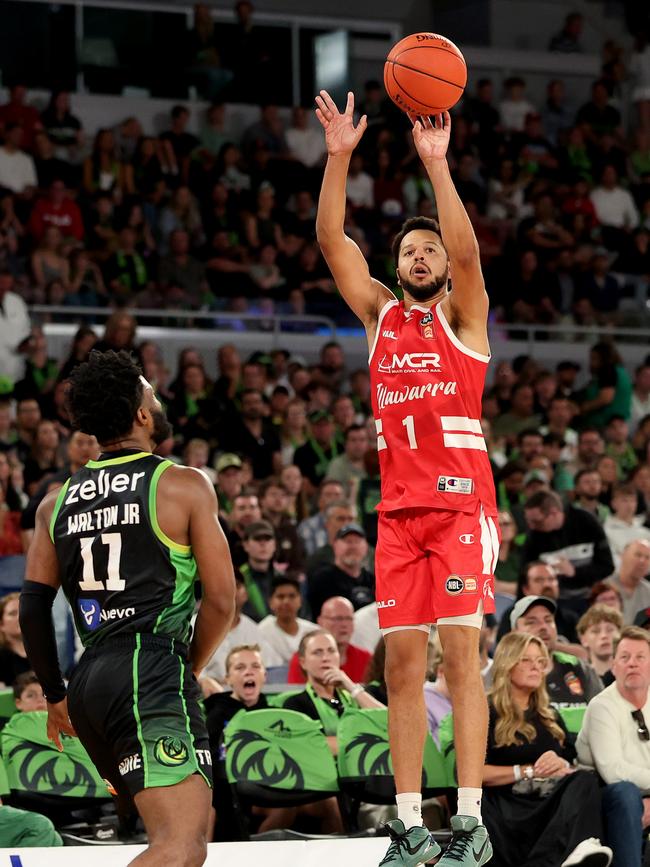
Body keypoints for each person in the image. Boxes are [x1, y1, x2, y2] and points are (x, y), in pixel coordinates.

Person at [315, 89, 499, 865]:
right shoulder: (381, 317)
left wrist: (436, 166)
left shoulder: (465, 317)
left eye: (427, 251)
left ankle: (471, 820)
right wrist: (338, 158)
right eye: (409, 251)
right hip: (398, 518)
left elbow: (465, 251)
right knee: (400, 666)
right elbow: (332, 242)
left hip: (460, 513)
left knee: (461, 658)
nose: (419, 257)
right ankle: (408, 821)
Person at [19, 349, 236, 867]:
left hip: (88, 681)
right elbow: (222, 601)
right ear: (142, 414)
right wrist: (188, 665)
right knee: (181, 846)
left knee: (172, 843)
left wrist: (54, 694)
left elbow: (32, 608)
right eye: (152, 394)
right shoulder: (182, 483)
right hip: (150, 670)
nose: (157, 400)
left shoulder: (56, 500)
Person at [482, 632, 612, 867]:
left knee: (584, 780)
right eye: (527, 660)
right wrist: (528, 771)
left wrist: (559, 762)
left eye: (541, 662)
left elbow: (567, 763)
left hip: (547, 801)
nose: (536, 667)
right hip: (507, 805)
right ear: (507, 663)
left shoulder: (549, 715)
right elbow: (470, 774)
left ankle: (579, 849)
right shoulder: (486, 712)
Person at [205, 643, 342, 838]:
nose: (248, 673)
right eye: (240, 668)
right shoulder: (216, 715)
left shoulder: (277, 711)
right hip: (229, 789)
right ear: (228, 678)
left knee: (327, 801)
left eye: (255, 666)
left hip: (276, 779)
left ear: (264, 675)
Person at [577, 626, 650, 867]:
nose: (633, 664)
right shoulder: (602, 706)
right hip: (603, 796)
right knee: (626, 794)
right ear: (614, 665)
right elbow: (613, 771)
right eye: (625, 657)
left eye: (640, 657)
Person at [284, 629, 385, 751]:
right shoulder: (295, 704)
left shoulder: (356, 696)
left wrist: (351, 687)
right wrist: (366, 741)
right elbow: (312, 745)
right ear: (303, 662)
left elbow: (386, 723)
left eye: (331, 651)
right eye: (317, 652)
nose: (326, 658)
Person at [523, 490, 615, 616]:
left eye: (537, 521)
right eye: (529, 521)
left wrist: (575, 572)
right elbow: (525, 576)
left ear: (554, 513)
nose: (532, 526)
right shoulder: (534, 536)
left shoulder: (586, 522)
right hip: (553, 603)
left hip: (590, 599)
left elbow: (607, 566)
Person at [511, 596, 603, 708]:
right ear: (514, 633)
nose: (543, 627)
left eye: (548, 620)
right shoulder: (506, 672)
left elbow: (602, 712)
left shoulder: (578, 667)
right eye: (531, 622)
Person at [287, 595, 371, 684]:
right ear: (320, 622)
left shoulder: (367, 659)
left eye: (349, 619)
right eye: (338, 619)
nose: (344, 624)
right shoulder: (302, 660)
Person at [307, 523, 375, 617]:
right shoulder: (322, 580)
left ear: (366, 547)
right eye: (348, 541)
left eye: (357, 541)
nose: (353, 546)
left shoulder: (373, 580)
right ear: (335, 545)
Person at [257, 575, 314, 665]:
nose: (286, 601)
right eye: (280, 596)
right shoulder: (261, 631)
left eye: (292, 596)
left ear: (300, 601)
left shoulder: (313, 631)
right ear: (270, 602)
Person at [605, 539, 650, 624]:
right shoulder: (604, 588)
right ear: (622, 556)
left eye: (647, 557)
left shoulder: (648, 591)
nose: (642, 561)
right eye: (638, 555)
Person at [576, 604, 623, 686]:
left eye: (610, 630)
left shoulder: (633, 675)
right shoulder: (579, 680)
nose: (604, 635)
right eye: (596, 631)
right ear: (583, 640)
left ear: (620, 634)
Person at [0, 592, 31, 686]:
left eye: (23, 611)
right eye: (13, 613)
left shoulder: (42, 651)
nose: (20, 617)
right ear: (1, 624)